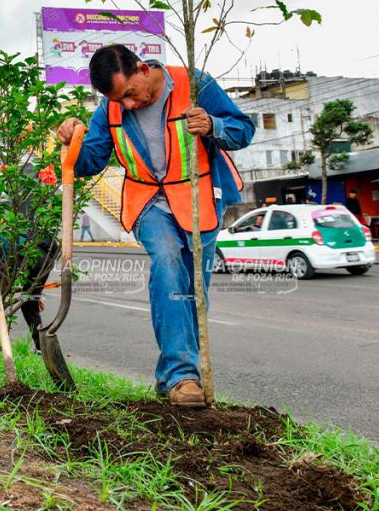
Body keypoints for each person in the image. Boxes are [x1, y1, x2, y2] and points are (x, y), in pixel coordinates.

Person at [56, 44, 254, 407]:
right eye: (120, 100)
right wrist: (73, 143)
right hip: (149, 202)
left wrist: (213, 125)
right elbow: (91, 161)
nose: (128, 105)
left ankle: (171, 377)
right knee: (166, 261)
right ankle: (183, 376)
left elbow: (244, 130)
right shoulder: (110, 107)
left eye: (130, 94)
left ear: (143, 69)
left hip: (199, 199)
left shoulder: (194, 84)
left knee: (193, 290)